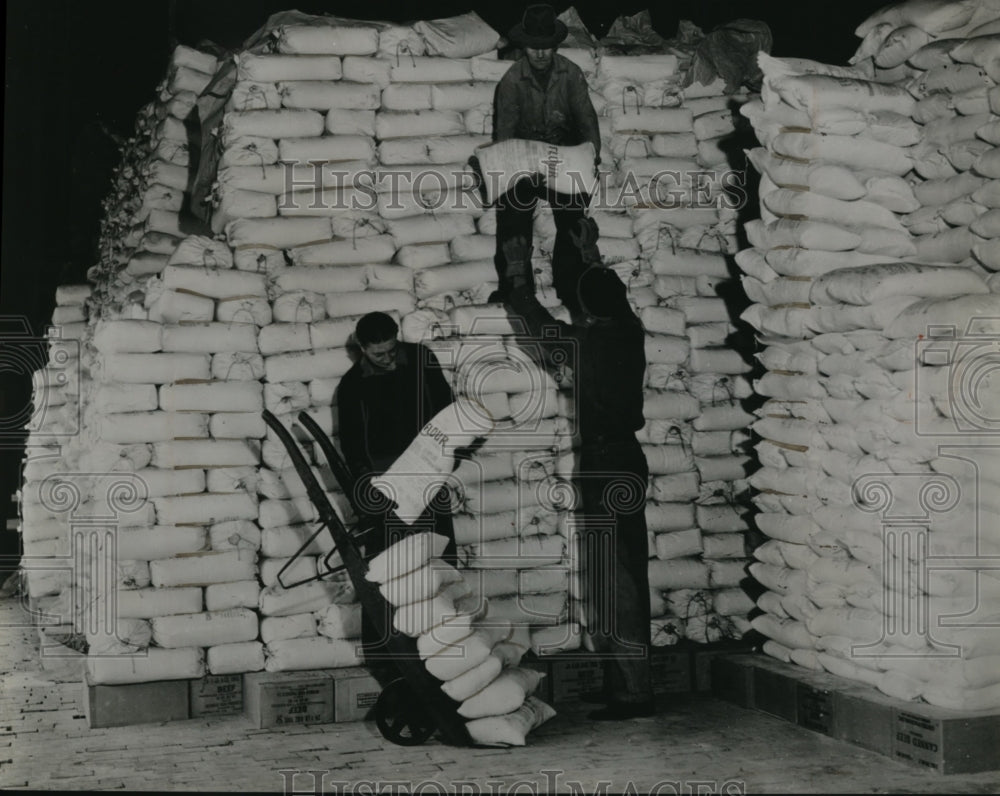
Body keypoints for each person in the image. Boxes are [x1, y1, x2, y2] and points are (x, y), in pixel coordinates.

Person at [502, 232, 655, 720]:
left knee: (618, 581)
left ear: (585, 312)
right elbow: (610, 294)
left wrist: (516, 269)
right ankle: (622, 685)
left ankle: (633, 693)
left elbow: (533, 319)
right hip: (628, 458)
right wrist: (583, 243)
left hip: (606, 464)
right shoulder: (630, 331)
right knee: (619, 575)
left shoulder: (579, 344)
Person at [336, 312, 457, 678]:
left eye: (391, 350)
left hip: (429, 478)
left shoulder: (421, 359)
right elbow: (354, 449)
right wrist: (372, 494)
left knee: (440, 566)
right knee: (388, 576)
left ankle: (449, 657)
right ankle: (390, 669)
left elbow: (447, 413)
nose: (388, 359)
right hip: (387, 489)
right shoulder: (353, 385)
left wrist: (448, 456)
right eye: (379, 355)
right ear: (362, 349)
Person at [491, 4, 602, 312]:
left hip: (563, 156)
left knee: (573, 218)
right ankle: (515, 286)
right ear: (523, 46)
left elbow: (587, 120)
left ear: (554, 45)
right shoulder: (512, 81)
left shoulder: (571, 74)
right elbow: (505, 135)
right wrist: (514, 171)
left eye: (545, 47)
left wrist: (591, 157)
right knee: (512, 213)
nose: (539, 54)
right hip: (524, 159)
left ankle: (573, 285)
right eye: (532, 47)